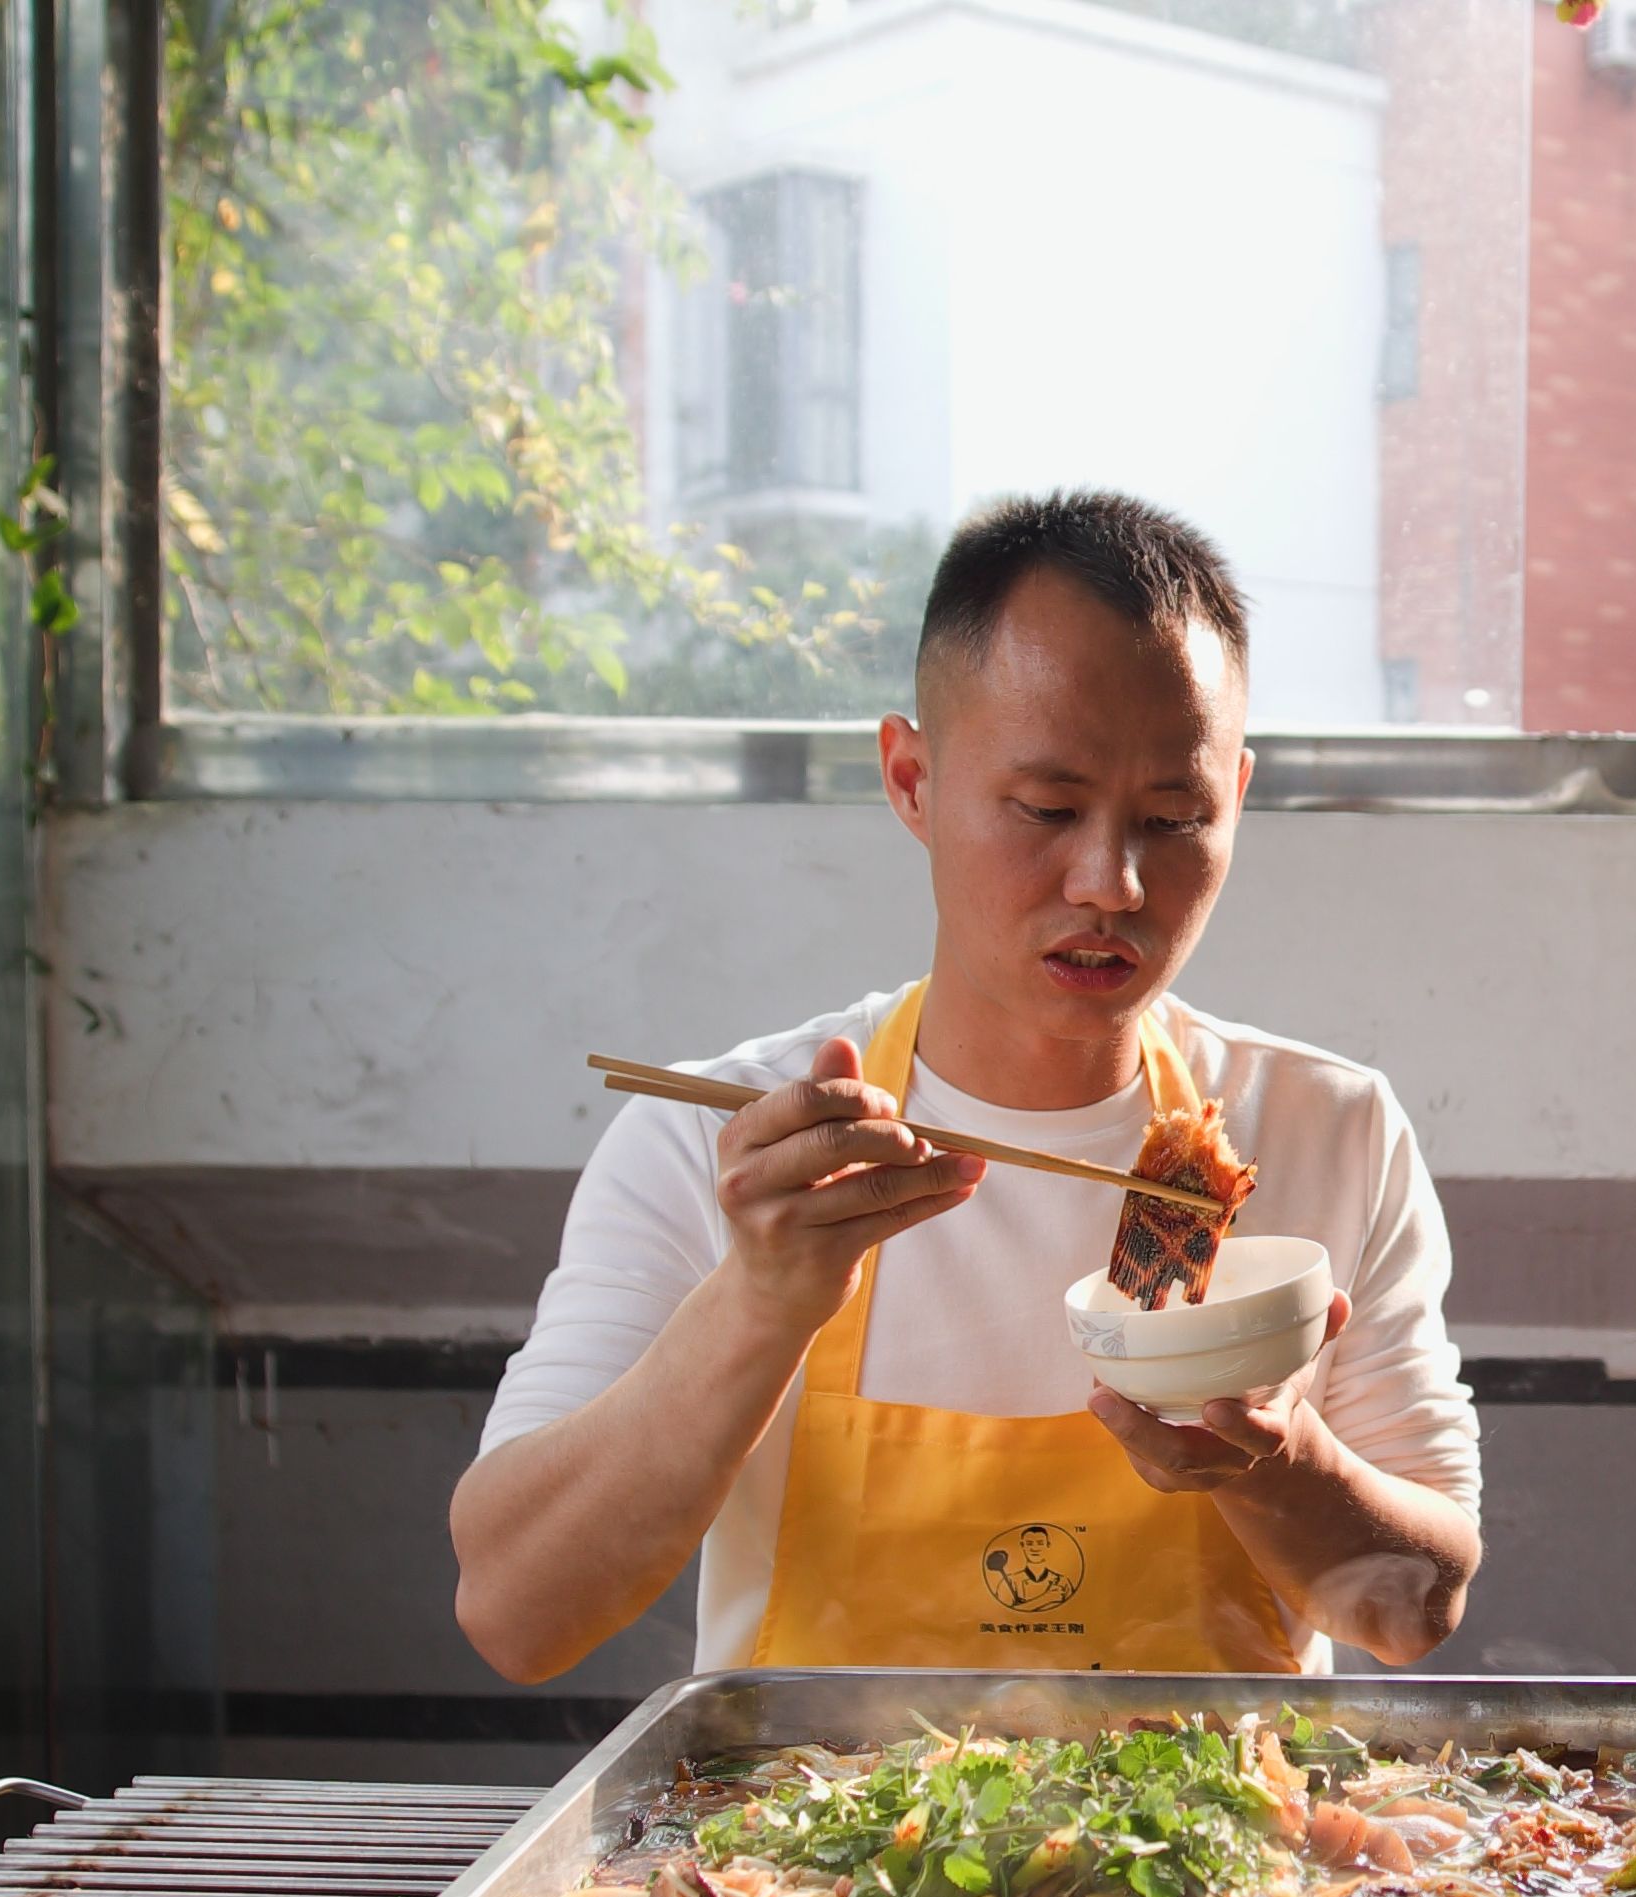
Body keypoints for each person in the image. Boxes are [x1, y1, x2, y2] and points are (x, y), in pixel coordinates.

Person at [454, 491, 1481, 1681]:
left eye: (1172, 818)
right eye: (1047, 809)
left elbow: (1415, 1612)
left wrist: (1278, 1457)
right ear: (910, 779)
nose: (1112, 883)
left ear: (1236, 802)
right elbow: (516, 1616)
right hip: (816, 1857)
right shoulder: (721, 1144)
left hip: (1221, 1853)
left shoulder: (1325, 1130)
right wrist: (764, 1299)